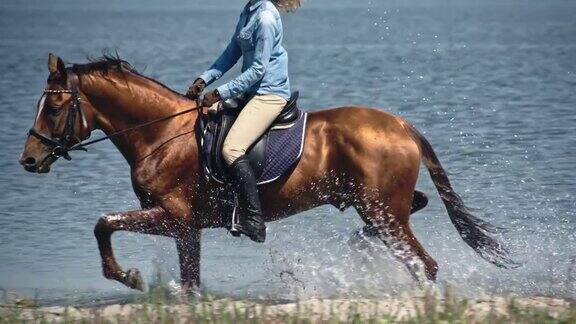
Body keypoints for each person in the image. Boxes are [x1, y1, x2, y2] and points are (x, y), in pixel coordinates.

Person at [186, 0, 301, 243]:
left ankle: (254, 220)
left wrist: (220, 93)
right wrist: (204, 79)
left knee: (231, 149)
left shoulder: (266, 18)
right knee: (205, 117)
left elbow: (258, 69)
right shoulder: (249, 11)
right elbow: (231, 52)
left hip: (269, 95)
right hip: (250, 93)